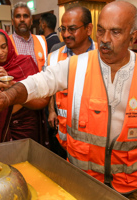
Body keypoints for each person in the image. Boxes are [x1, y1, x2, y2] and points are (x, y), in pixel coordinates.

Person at [0, 1, 137, 199]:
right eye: (101, 31)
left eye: (116, 32)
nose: (105, 40)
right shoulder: (76, 65)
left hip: (132, 184)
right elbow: (41, 81)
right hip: (84, 180)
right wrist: (10, 94)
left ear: (133, 35)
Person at [0, 29, 49, 147]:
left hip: (24, 124)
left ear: (9, 45)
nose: (0, 52)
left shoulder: (24, 62)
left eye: (4, 47)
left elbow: (40, 94)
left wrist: (9, 81)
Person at [47, 6, 97, 158]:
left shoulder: (103, 57)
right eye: (63, 29)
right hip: (64, 141)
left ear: (89, 29)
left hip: (94, 142)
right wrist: (51, 110)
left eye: (72, 29)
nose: (66, 34)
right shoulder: (54, 57)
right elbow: (50, 89)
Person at [9, 2, 47, 72]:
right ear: (12, 21)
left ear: (31, 21)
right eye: (18, 16)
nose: (22, 19)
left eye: (25, 16)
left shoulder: (42, 40)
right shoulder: (7, 42)